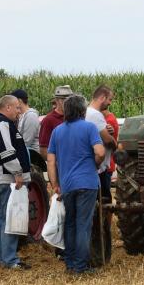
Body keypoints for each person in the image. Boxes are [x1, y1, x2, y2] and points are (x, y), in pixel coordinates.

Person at [46, 94, 105, 275]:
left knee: (69, 224)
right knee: (83, 225)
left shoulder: (57, 131)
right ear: (82, 110)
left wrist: (55, 184)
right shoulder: (89, 128)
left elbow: (50, 160)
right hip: (87, 182)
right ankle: (81, 266)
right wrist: (94, 163)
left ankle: (70, 264)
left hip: (67, 184)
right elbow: (101, 152)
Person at [0, 95, 32, 270]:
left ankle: (1, 258)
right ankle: (10, 259)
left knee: (1, 217)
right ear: (8, 107)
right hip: (4, 176)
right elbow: (7, 151)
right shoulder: (2, 123)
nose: (19, 111)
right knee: (10, 217)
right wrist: (17, 172)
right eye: (17, 108)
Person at [86, 85, 118, 207]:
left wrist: (106, 129)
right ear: (102, 97)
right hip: (99, 168)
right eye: (109, 99)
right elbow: (107, 140)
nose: (110, 103)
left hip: (94, 166)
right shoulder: (95, 115)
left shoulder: (87, 112)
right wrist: (115, 144)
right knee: (104, 203)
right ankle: (103, 225)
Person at [39, 85, 73, 160]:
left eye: (70, 100)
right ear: (57, 100)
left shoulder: (74, 117)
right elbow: (44, 150)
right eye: (63, 99)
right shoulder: (48, 120)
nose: (68, 102)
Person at [10, 89, 40, 153]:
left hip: (32, 154)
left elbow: (27, 141)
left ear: (19, 101)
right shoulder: (20, 116)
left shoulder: (31, 116)